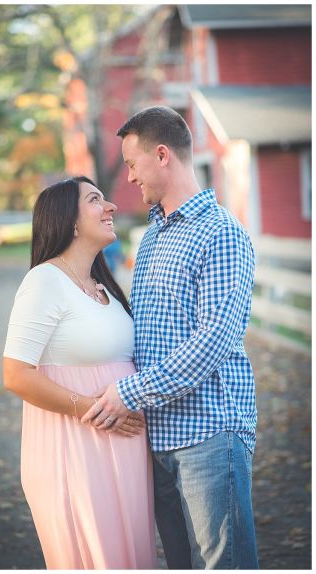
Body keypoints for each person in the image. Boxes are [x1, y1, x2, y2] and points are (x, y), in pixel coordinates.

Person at [82, 106, 258, 569]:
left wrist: (128, 393)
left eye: (133, 163)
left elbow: (213, 340)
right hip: (156, 439)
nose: (130, 176)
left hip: (209, 435)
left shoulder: (221, 233)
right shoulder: (154, 236)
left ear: (162, 155)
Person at [2, 176, 156, 569]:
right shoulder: (44, 281)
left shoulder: (103, 285)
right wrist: (92, 408)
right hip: (75, 451)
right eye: (95, 200)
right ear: (69, 220)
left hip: (125, 454)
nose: (111, 207)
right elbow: (16, 374)